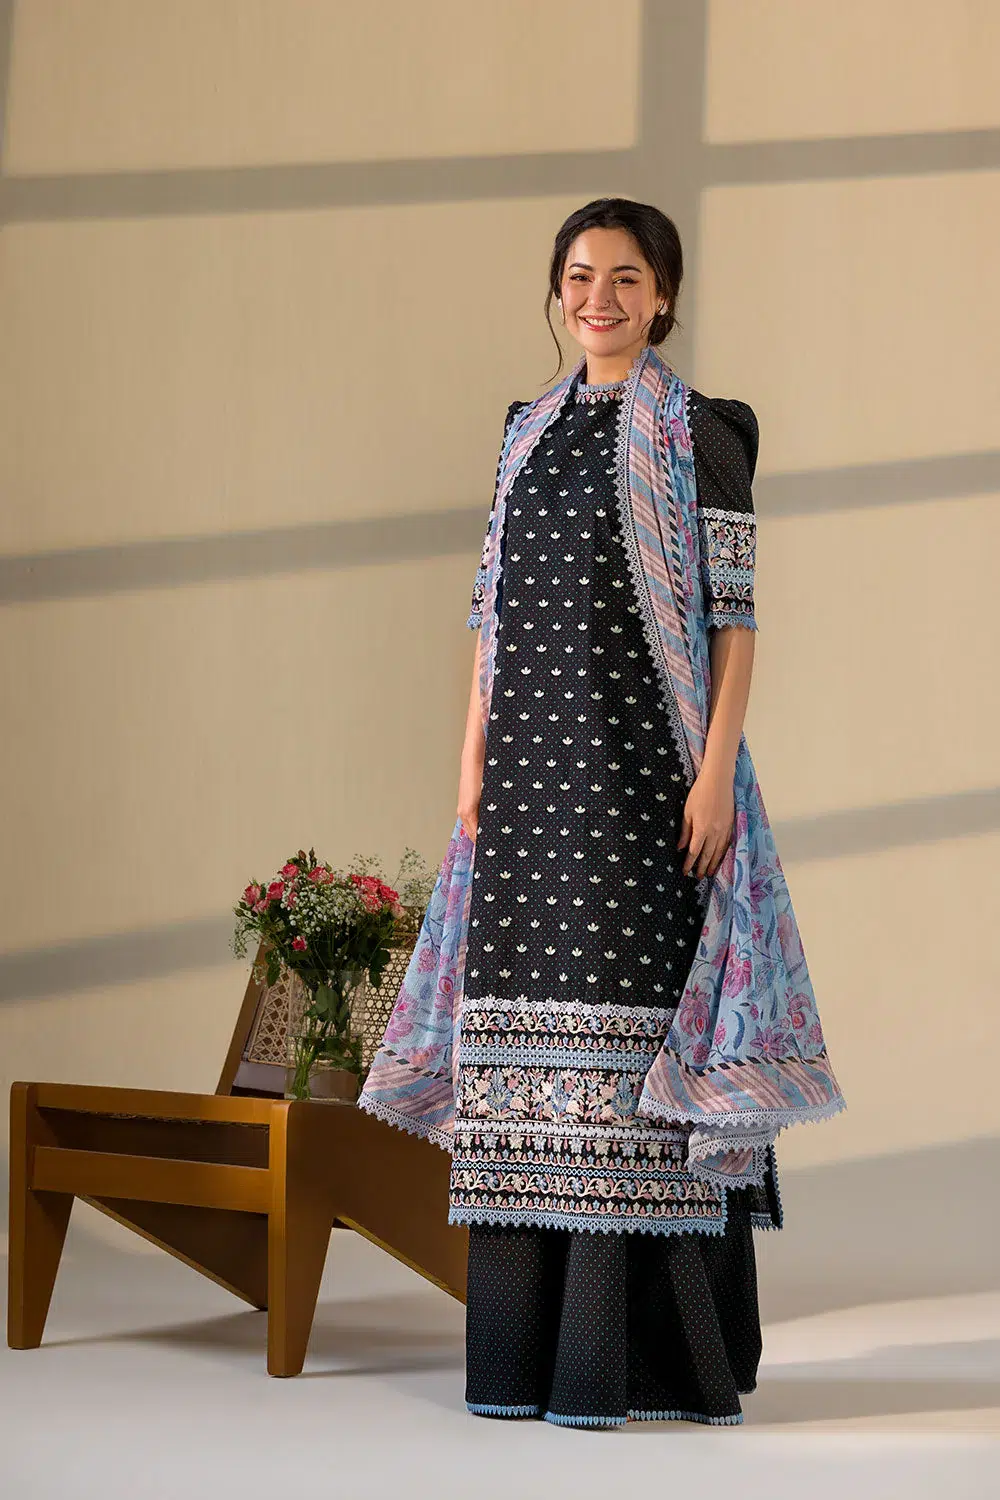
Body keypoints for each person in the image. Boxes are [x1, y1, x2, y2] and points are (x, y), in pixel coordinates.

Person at [359, 197, 844, 1428]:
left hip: (642, 777)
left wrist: (714, 772)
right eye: (579, 276)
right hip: (526, 787)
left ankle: (633, 1365)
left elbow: (733, 617)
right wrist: (469, 765)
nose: (599, 299)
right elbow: (491, 615)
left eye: (625, 278)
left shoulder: (704, 432)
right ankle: (520, 1362)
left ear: (663, 295)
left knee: (626, 1046)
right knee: (517, 1051)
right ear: (557, 288)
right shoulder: (524, 431)